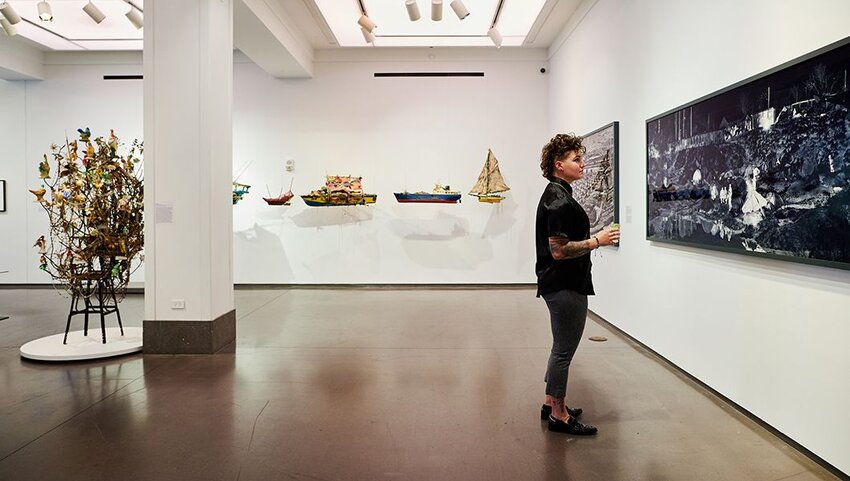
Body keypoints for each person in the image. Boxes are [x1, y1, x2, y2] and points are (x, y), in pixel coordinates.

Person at [535, 133, 620, 435]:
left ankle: (550, 402)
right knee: (563, 351)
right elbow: (559, 250)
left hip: (560, 283)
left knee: (560, 347)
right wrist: (598, 240)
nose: (583, 164)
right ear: (559, 165)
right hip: (564, 284)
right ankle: (559, 414)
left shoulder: (558, 193)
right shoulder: (558, 200)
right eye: (576, 159)